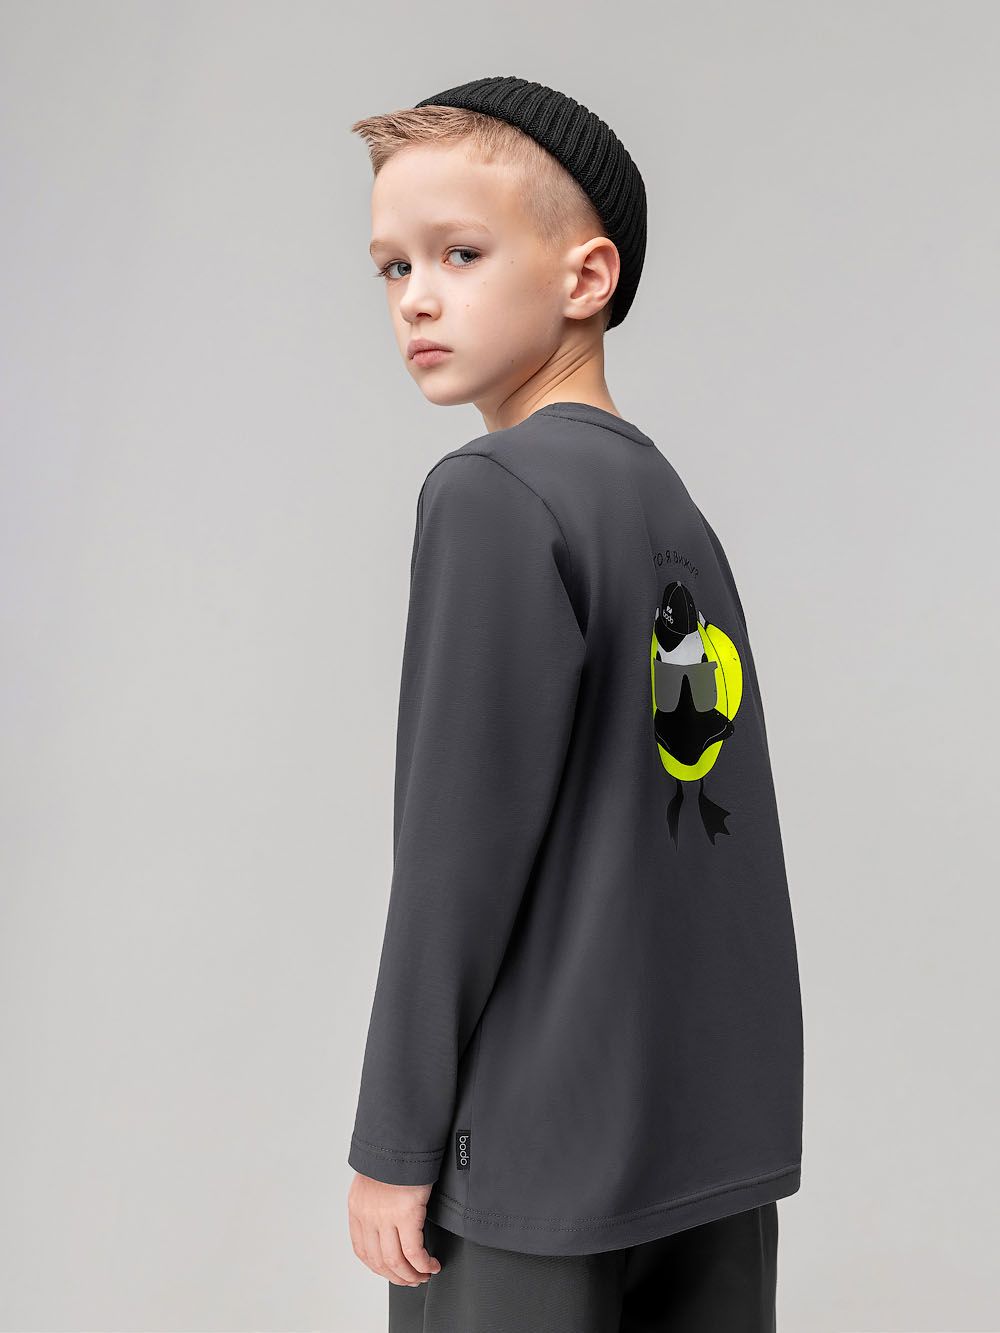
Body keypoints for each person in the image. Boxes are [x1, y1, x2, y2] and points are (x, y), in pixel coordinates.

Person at [345, 75, 804, 1332]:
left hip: (535, 1163)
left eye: (459, 252)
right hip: (707, 1149)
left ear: (585, 276)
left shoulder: (493, 493)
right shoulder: (670, 511)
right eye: (391, 267)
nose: (416, 296)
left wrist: (394, 1139)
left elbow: (455, 853)